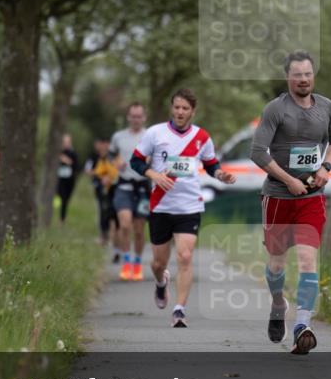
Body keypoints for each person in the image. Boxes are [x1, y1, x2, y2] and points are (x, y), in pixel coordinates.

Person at [250, 51, 331, 354]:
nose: (303, 79)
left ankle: (303, 325)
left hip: (311, 197)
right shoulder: (276, 109)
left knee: (306, 260)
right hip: (278, 196)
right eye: (297, 75)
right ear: (288, 78)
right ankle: (278, 305)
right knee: (276, 264)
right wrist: (288, 180)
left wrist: (325, 168)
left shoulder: (326, 106)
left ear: (313, 75)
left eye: (308, 74)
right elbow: (258, 152)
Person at [130, 89, 236, 327]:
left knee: (185, 256)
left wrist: (221, 175)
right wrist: (154, 175)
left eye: (185, 108)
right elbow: (135, 161)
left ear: (192, 112)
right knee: (158, 263)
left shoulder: (202, 137)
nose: (180, 112)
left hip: (189, 205)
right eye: (176, 107)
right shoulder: (155, 133)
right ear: (172, 108)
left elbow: (210, 164)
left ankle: (179, 310)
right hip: (160, 205)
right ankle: (161, 282)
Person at [110, 103, 151, 281]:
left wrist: (150, 160)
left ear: (144, 117)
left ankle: (137, 262)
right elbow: (111, 154)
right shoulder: (118, 137)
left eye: (139, 116)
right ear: (128, 117)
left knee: (139, 230)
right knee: (125, 224)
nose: (136, 119)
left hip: (142, 188)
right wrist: (116, 161)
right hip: (124, 187)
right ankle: (126, 262)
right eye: (133, 116)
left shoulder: (151, 135)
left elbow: (159, 156)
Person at [86, 137, 119, 250]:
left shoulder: (115, 156)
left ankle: (115, 237)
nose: (103, 146)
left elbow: (118, 170)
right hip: (103, 188)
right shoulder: (98, 157)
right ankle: (104, 236)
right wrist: (101, 176)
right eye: (101, 143)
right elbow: (92, 171)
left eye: (105, 143)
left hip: (116, 188)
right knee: (103, 211)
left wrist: (110, 177)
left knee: (115, 213)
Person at [54, 134, 79, 224]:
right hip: (60, 179)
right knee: (62, 197)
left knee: (66, 199)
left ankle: (63, 217)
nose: (66, 144)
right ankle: (61, 217)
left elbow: (76, 166)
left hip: (69, 180)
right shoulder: (58, 153)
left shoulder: (73, 153)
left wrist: (68, 161)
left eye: (68, 142)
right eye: (64, 142)